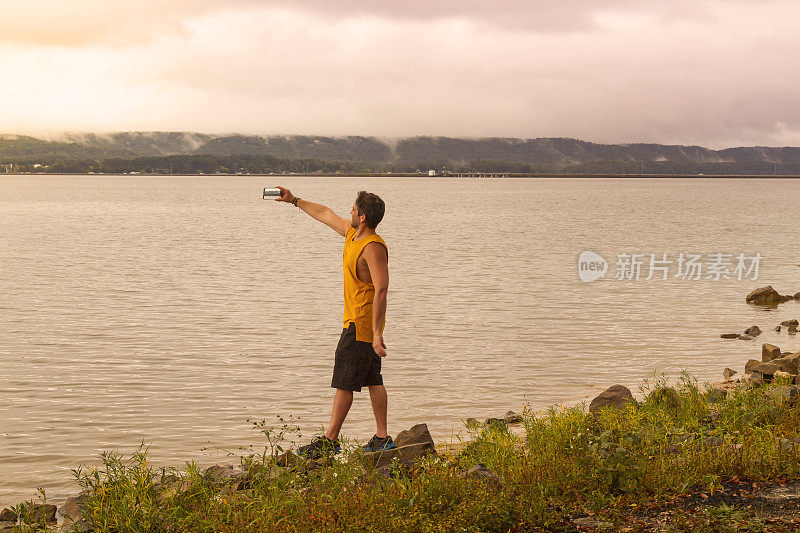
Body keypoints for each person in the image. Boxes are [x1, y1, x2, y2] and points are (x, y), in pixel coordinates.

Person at [274, 187, 396, 458]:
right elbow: (326, 214)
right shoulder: (353, 234)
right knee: (373, 379)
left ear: (363, 217)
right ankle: (382, 438)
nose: (349, 211)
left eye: (353, 208)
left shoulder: (373, 247)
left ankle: (330, 440)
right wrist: (294, 201)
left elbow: (382, 289)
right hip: (358, 322)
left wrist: (376, 333)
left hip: (361, 324)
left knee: (344, 382)